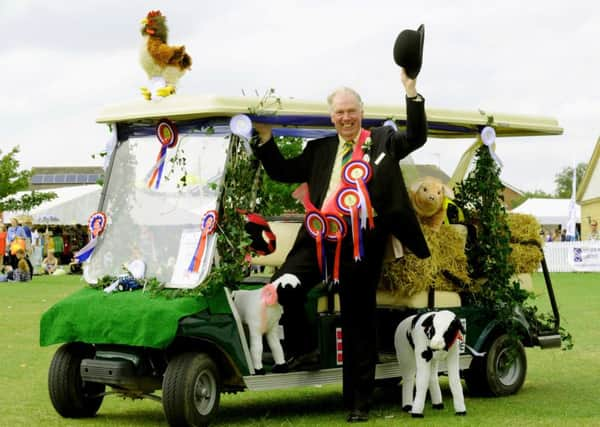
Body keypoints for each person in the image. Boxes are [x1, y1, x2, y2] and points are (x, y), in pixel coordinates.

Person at [253, 69, 429, 422]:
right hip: (318, 238)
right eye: (339, 113)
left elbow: (417, 137)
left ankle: (358, 402)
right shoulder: (320, 149)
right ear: (331, 117)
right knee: (282, 286)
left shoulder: (382, 140)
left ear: (361, 113)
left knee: (357, 320)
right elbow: (282, 172)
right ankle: (305, 349)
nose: (346, 118)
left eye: (352, 111)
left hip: (361, 242)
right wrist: (265, 139)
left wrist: (411, 92)